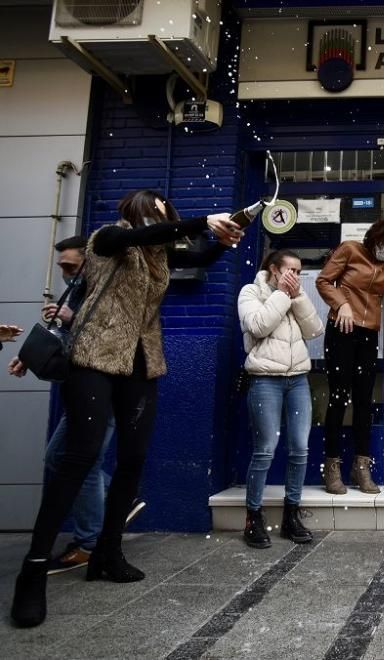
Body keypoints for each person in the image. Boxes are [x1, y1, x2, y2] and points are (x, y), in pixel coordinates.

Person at [10, 190, 243, 628]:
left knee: (133, 460)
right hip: (95, 357)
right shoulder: (108, 238)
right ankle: (34, 570)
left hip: (141, 362)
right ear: (142, 210)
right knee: (78, 458)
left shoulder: (156, 257)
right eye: (159, 207)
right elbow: (145, 236)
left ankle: (107, 553)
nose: (164, 211)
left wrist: (221, 241)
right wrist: (199, 221)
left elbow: (195, 260)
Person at [9, 236, 144, 575]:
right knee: (65, 458)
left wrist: (72, 319)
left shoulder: (109, 290)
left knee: (76, 458)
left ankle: (88, 542)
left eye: (71, 266)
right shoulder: (81, 289)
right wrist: (29, 356)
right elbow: (67, 341)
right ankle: (118, 501)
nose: (66, 274)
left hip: (104, 386)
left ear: (90, 260)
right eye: (62, 267)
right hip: (81, 388)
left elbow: (116, 338)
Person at [316, 219, 384, 495]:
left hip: (368, 335)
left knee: (363, 401)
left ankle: (361, 466)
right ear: (375, 237)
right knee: (338, 397)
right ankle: (332, 466)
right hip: (341, 329)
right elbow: (324, 280)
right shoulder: (350, 250)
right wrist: (342, 304)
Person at [238, 249, 324, 549]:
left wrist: (298, 296)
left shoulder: (295, 295)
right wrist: (283, 296)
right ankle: (253, 517)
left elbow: (315, 330)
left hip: (298, 380)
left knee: (300, 448)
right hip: (265, 381)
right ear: (274, 270)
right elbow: (258, 326)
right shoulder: (251, 292)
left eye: (300, 272)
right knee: (265, 449)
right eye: (291, 271)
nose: (296, 277)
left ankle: (291, 515)